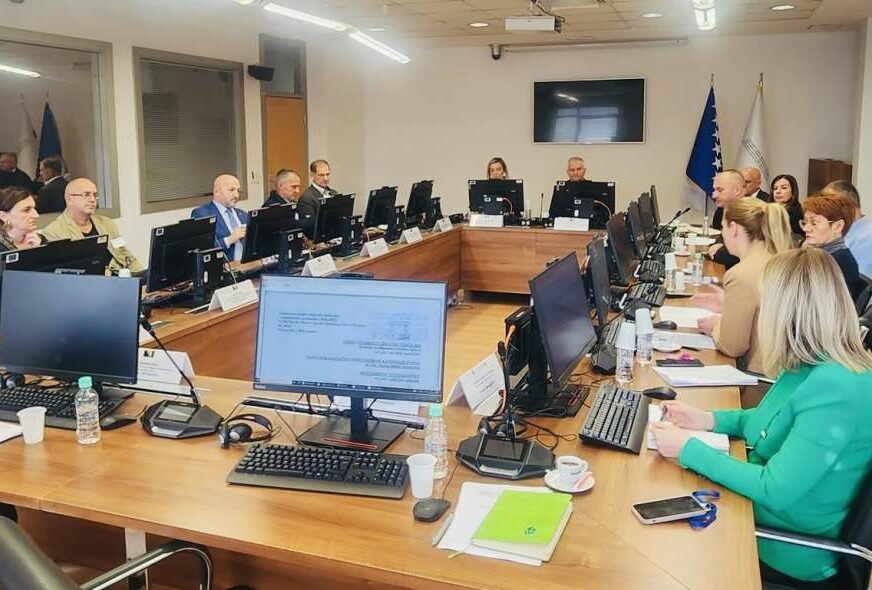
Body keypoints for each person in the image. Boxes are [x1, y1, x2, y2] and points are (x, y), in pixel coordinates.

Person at [652, 247, 872, 588]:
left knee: (658, 548)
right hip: (754, 514)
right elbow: (766, 423)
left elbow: (775, 489)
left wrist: (688, 449)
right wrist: (707, 419)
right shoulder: (813, 360)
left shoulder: (836, 388)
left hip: (784, 547)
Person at [691, 198, 792, 375]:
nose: (723, 233)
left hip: (757, 377)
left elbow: (732, 346)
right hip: (782, 373)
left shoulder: (741, 274)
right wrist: (727, 306)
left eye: (723, 227)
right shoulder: (777, 261)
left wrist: (715, 325)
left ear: (734, 228)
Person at [42, 178, 144, 274]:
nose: (93, 200)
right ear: (70, 199)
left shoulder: (107, 223)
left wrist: (142, 277)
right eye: (86, 195)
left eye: (95, 195)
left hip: (121, 278)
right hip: (91, 283)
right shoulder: (54, 232)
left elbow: (125, 253)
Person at [801, 194, 863, 301]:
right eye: (805, 222)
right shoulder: (829, 254)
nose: (806, 228)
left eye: (814, 223)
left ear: (838, 226)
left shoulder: (837, 260)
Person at [191, 174, 249, 261]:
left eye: (238, 190)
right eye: (231, 190)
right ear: (217, 192)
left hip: (250, 264)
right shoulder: (202, 214)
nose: (236, 195)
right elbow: (202, 250)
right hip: (225, 266)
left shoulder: (243, 214)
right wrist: (229, 239)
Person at [821, 180, 872, 278]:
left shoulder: (868, 238)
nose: (826, 210)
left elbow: (856, 281)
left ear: (852, 206)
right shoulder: (839, 232)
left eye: (832, 205)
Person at [707, 169, 746, 269]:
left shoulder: (749, 214)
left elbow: (732, 256)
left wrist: (717, 252)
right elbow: (720, 238)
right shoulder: (723, 210)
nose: (714, 195)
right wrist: (718, 246)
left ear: (737, 191)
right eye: (714, 190)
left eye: (720, 190)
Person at [0, 187, 46, 253]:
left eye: (34, 208)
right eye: (26, 210)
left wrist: (38, 249)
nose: (36, 215)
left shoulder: (39, 240)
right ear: (3, 216)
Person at [770, 174, 803, 238]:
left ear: (793, 192)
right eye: (775, 188)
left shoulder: (796, 213)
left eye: (784, 188)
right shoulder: (768, 210)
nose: (778, 191)